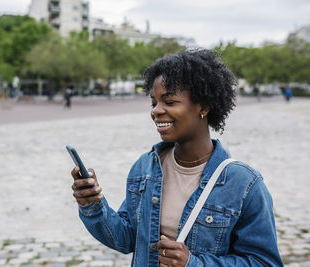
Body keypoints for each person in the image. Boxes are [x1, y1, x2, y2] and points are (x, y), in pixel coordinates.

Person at [70, 50, 283, 266]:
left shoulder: (245, 184)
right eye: (154, 103)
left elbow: (265, 262)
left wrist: (193, 263)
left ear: (204, 107)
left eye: (169, 102)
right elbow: (126, 239)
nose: (156, 111)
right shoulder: (145, 168)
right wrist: (92, 205)